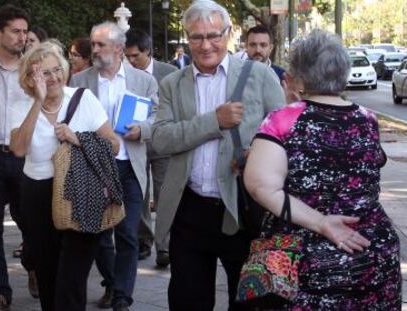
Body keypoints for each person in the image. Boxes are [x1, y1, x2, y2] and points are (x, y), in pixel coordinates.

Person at [244, 30, 402, 309]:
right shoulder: (366, 119)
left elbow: (260, 186)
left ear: (299, 76)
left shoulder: (282, 120)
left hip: (299, 254)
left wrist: (321, 222)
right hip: (369, 246)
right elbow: (372, 165)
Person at [151, 1, 285, 310]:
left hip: (242, 210)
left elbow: (284, 139)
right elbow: (160, 139)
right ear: (187, 38)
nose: (206, 44)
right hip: (190, 210)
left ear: (227, 34)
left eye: (213, 35)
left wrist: (259, 153)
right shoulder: (172, 83)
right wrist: (214, 121)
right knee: (187, 300)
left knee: (249, 301)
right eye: (196, 37)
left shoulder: (259, 77)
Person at [10, 41, 120, 311]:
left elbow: (114, 145)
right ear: (29, 78)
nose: (54, 78)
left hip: (82, 192)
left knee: (70, 282)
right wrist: (38, 100)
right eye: (44, 73)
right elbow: (18, 149)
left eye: (57, 69)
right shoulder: (21, 104)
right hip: (38, 198)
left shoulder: (83, 99)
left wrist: (78, 138)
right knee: (47, 277)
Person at [70, 22, 158, 311]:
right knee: (97, 233)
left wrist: (142, 129)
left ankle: (122, 296)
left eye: (100, 45)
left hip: (129, 166)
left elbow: (158, 116)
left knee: (127, 234)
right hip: (93, 167)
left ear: (118, 48)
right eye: (93, 45)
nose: (93, 50)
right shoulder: (81, 81)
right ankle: (111, 282)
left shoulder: (143, 81)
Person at [124, 28, 176, 267]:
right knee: (140, 195)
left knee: (164, 194)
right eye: (128, 56)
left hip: (164, 143)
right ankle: (143, 240)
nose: (131, 61)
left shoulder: (170, 72)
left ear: (148, 52)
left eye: (136, 56)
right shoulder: (124, 75)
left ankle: (164, 246)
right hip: (136, 143)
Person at [0, 5, 32, 310]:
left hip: (26, 156)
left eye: (24, 31)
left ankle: (34, 266)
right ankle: (0, 291)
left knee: (31, 222)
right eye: (15, 31)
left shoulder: (32, 68)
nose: (21, 37)